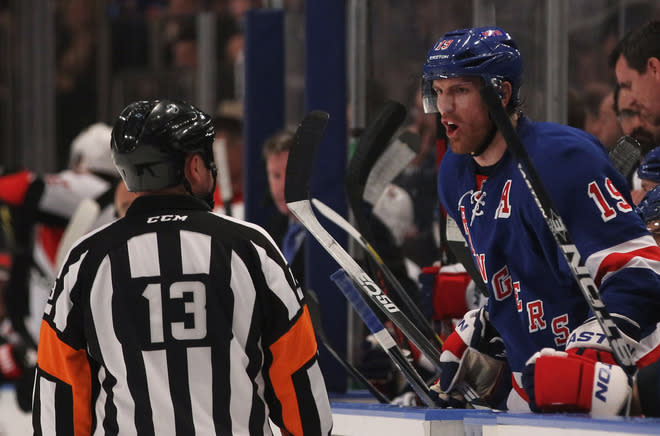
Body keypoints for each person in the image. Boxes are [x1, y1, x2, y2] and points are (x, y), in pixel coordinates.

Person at [31, 99, 333, 435]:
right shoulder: (251, 248)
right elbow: (298, 377)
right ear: (193, 167)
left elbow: (59, 390)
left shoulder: (85, 261)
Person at [421, 26, 660, 413]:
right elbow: (517, 282)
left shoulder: (564, 160)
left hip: (624, 379)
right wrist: (488, 331)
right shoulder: (454, 176)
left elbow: (639, 268)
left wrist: (591, 353)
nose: (444, 107)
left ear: (501, 93)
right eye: (439, 90)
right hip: (534, 395)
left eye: (460, 91)